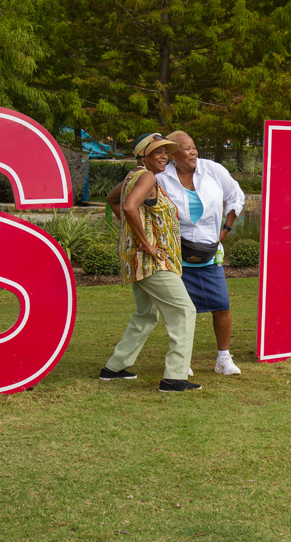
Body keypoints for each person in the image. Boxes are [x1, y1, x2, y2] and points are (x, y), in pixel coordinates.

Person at [99, 133, 201, 393]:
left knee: (146, 315)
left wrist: (133, 231)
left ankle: (114, 367)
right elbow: (130, 207)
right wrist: (145, 242)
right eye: (158, 152)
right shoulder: (147, 177)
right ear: (143, 156)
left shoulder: (130, 177)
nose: (164, 156)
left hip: (137, 261)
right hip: (152, 261)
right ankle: (174, 378)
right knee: (184, 311)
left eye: (166, 152)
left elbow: (113, 201)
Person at [158, 131, 245, 376]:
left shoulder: (213, 170)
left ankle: (223, 359)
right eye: (186, 149)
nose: (193, 152)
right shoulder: (162, 177)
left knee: (222, 305)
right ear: (173, 155)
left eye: (194, 147)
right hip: (177, 253)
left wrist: (224, 232)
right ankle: (181, 361)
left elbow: (236, 197)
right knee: (181, 311)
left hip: (209, 252)